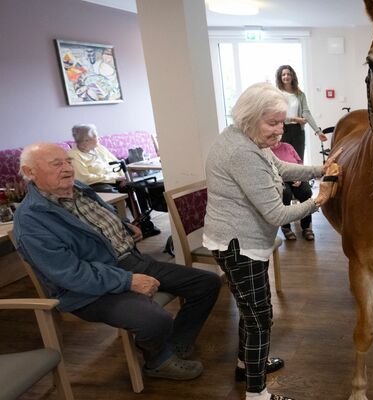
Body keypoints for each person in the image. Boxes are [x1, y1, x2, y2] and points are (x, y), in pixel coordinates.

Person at [13, 142, 220, 381]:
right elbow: (71, 274)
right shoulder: (32, 221)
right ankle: (157, 362)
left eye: (68, 161)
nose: (68, 168)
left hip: (131, 261)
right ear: (30, 172)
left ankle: (172, 345)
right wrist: (128, 281)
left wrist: (123, 226)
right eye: (57, 164)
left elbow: (95, 220)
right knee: (154, 319)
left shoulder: (79, 188)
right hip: (88, 290)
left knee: (207, 283)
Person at [203, 82, 340, 400]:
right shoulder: (242, 152)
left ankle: (246, 364)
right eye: (273, 123)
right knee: (260, 318)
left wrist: (319, 170)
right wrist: (320, 199)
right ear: (251, 117)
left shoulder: (247, 137)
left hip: (241, 242)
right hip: (240, 246)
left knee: (250, 311)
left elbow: (279, 166)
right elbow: (277, 214)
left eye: (282, 122)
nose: (280, 130)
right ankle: (257, 394)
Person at [275, 65, 326, 161]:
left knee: (298, 160)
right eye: (283, 74)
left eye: (288, 74)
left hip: (298, 131)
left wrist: (318, 132)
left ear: (292, 76)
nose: (286, 76)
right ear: (280, 77)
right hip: (283, 131)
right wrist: (294, 119)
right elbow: (276, 115)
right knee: (284, 162)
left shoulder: (300, 94)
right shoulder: (277, 94)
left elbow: (306, 113)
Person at [268, 136, 315, 241]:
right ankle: (286, 227)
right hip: (280, 178)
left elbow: (299, 162)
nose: (274, 141)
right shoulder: (267, 151)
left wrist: (300, 177)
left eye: (276, 137)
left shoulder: (288, 146)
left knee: (306, 192)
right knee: (285, 194)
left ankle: (306, 227)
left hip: (296, 176)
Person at [67, 124, 125, 192]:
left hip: (115, 180)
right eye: (95, 136)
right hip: (96, 185)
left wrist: (124, 178)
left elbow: (117, 163)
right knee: (111, 191)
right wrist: (114, 178)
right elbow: (84, 178)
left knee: (133, 185)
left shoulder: (99, 148)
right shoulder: (74, 155)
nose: (98, 138)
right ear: (86, 140)